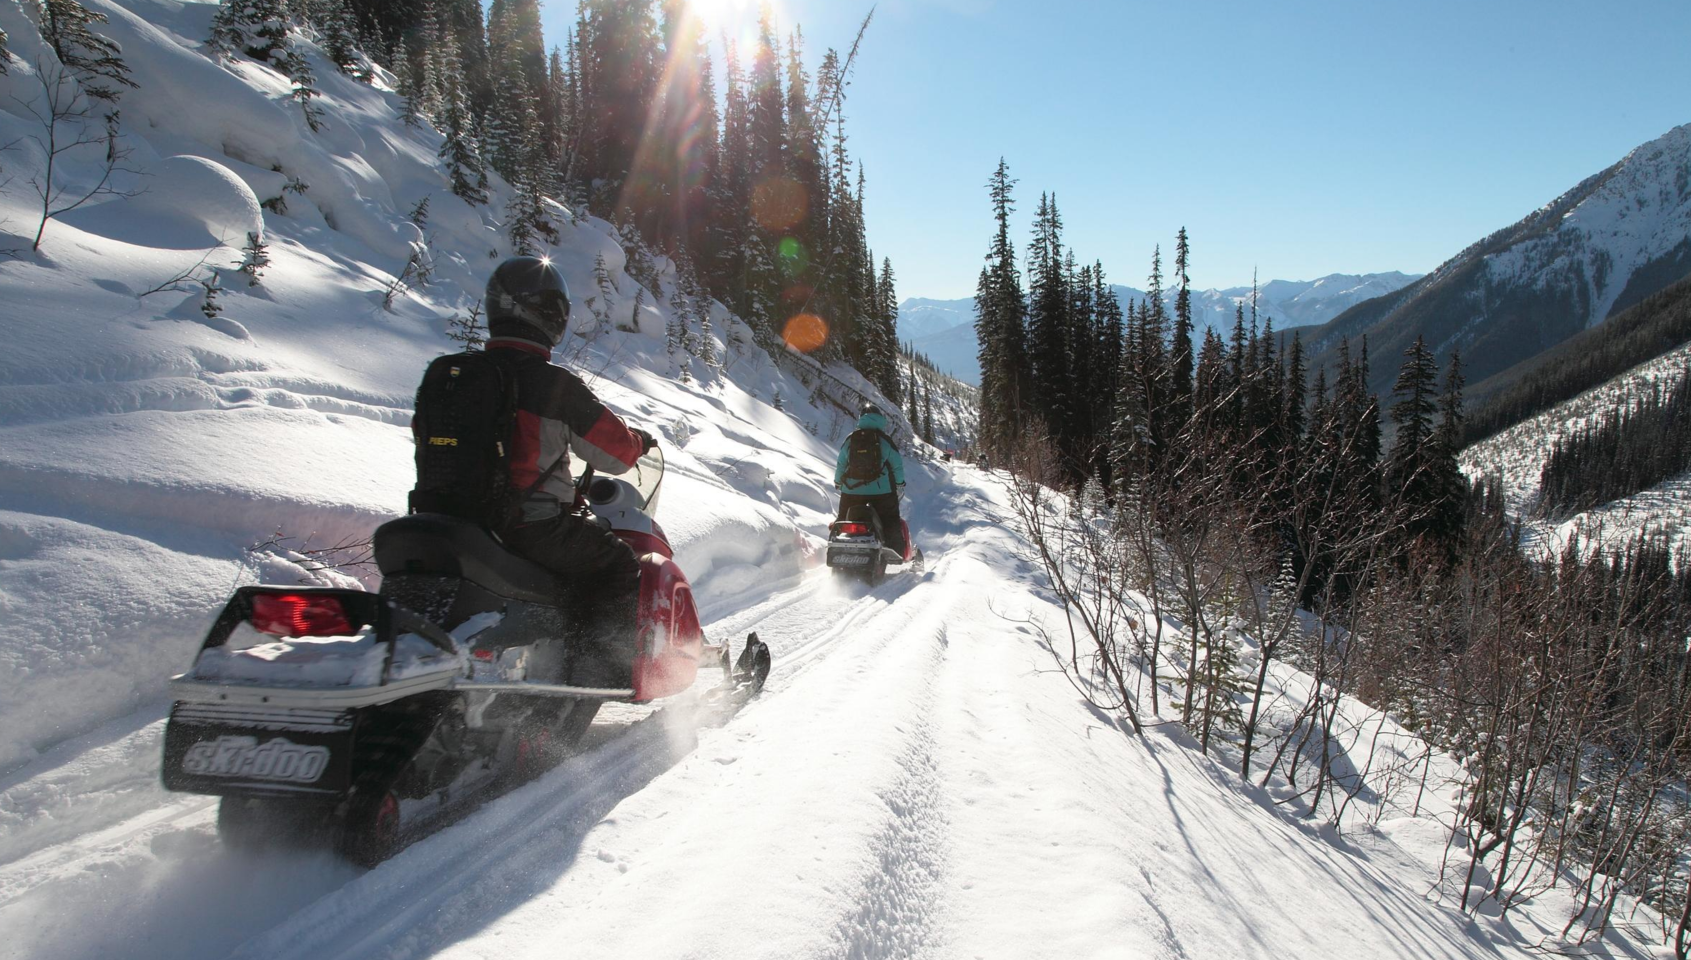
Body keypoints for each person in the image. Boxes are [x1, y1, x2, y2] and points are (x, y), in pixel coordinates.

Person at [479, 256, 655, 688]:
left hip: (452, 521)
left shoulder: (447, 376)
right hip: (528, 527)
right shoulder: (552, 385)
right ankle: (599, 675)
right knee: (617, 564)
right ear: (551, 316)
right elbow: (614, 454)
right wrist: (640, 441)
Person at [834, 403, 908, 558]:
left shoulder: (851, 439)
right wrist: (900, 483)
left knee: (843, 519)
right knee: (890, 520)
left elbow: (841, 463)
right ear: (880, 420)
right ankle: (895, 551)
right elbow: (897, 465)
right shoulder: (885, 440)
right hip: (882, 492)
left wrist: (838, 482)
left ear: (861, 419)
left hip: (851, 490)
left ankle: (837, 545)